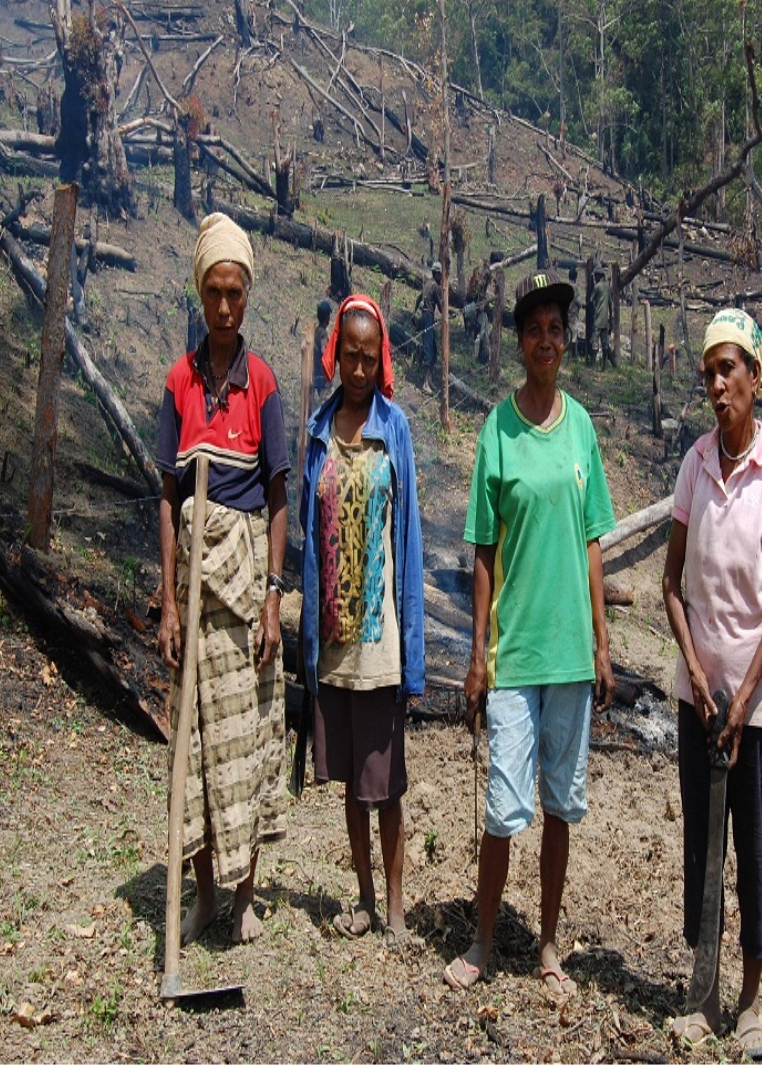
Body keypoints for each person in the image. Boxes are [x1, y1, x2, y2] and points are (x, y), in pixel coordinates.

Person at [443, 271, 616, 999]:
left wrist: (604, 646)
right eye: (534, 328)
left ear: (565, 341)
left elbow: (591, 545)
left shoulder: (582, 430)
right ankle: (484, 939)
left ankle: (548, 944)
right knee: (501, 804)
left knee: (559, 805)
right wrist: (479, 655)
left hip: (571, 653)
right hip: (514, 653)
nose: (546, 339)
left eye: (556, 328)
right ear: (518, 341)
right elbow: (483, 550)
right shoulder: (497, 430)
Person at [661, 308, 762, 1059]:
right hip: (700, 698)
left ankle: (751, 999)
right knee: (700, 843)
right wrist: (695, 672)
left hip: (755, 706)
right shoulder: (696, 465)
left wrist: (744, 697)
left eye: (730, 370)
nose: (717, 385)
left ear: (755, 377)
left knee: (751, 842)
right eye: (709, 372)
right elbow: (671, 583)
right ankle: (702, 989)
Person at [157, 211, 289, 945]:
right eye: (214, 292)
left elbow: (277, 497)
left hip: (244, 589)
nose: (226, 306)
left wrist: (272, 598)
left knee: (251, 739)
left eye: (236, 292)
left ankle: (245, 895)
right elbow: (167, 500)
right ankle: (203, 892)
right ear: (200, 294)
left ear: (247, 295)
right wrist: (170, 603)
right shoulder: (179, 381)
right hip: (194, 592)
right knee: (198, 741)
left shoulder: (263, 382)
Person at [299, 294, 426, 949]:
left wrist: (415, 650)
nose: (356, 365)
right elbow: (304, 531)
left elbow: (408, 538)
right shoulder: (320, 426)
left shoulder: (393, 428)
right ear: (335, 354)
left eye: (367, 355)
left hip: (379, 639)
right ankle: (364, 898)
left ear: (381, 361)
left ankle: (398, 905)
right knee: (351, 777)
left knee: (387, 782)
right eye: (348, 353)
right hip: (333, 638)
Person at [413, 261, 442, 393]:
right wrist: (449, 312)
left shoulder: (427, 284)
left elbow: (418, 300)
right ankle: (425, 384)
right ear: (436, 273)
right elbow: (441, 308)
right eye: (440, 274)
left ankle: (429, 380)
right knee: (429, 351)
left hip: (424, 317)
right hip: (428, 317)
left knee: (433, 350)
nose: (441, 277)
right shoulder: (435, 286)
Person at [589, 265, 615, 368]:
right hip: (605, 320)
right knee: (605, 344)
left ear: (598, 276)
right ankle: (604, 366)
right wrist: (611, 317)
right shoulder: (607, 287)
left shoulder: (597, 287)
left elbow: (591, 301)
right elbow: (610, 304)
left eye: (595, 276)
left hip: (597, 319)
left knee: (595, 343)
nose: (594, 278)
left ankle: (594, 365)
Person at [312, 299, 334, 403]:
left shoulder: (316, 331)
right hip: (321, 377)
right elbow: (324, 351)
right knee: (330, 403)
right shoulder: (323, 334)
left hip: (314, 374)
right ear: (327, 318)